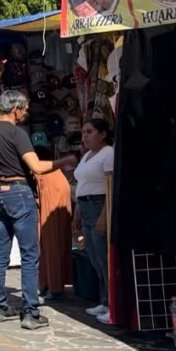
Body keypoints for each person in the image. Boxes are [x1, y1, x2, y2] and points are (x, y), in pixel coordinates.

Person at [0, 90, 77, 330]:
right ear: (15, 108)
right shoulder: (17, 133)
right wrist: (63, 162)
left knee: (0, 252)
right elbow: (37, 166)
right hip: (18, 192)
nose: (26, 112)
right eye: (24, 108)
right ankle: (31, 312)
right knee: (29, 254)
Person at [72, 118, 115, 324]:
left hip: (98, 206)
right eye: (83, 132)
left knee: (104, 258)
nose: (85, 136)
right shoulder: (88, 155)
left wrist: (104, 216)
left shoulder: (108, 153)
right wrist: (77, 214)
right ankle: (104, 299)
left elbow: (110, 186)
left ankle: (113, 304)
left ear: (103, 133)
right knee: (95, 258)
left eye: (90, 132)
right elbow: (82, 184)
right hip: (85, 207)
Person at [36, 144, 73, 303]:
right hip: (59, 214)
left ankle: (53, 286)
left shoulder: (43, 173)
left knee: (50, 248)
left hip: (49, 214)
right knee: (56, 247)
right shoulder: (57, 173)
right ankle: (49, 284)